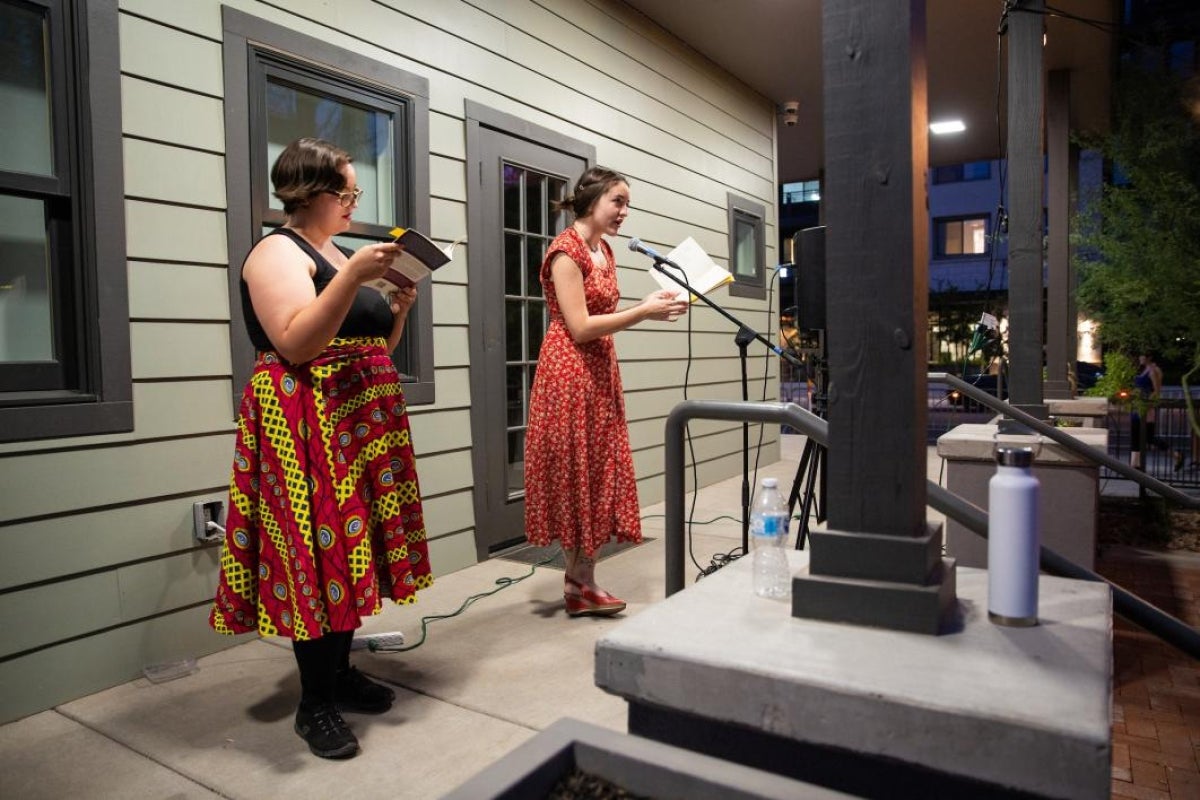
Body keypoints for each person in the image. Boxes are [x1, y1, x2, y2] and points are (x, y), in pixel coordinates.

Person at [209, 138, 433, 759]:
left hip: (358, 422)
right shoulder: (276, 252)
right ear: (310, 191)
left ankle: (338, 672)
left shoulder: (338, 253)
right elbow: (297, 344)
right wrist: (356, 277)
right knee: (317, 549)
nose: (353, 204)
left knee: (354, 545)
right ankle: (315, 702)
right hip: (306, 423)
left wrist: (396, 311)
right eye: (347, 193)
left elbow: (371, 350)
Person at [524, 166, 689, 617]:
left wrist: (659, 309)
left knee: (598, 468)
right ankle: (579, 583)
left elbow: (606, 318)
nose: (624, 212)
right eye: (618, 202)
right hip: (569, 370)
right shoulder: (565, 252)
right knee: (576, 469)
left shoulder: (605, 250)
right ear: (592, 200)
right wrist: (642, 312)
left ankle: (583, 582)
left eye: (626, 204)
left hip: (599, 369)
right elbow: (578, 327)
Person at [1131, 352, 1182, 470]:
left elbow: (1156, 390)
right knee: (1137, 435)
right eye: (1140, 355)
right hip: (1137, 406)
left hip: (1145, 408)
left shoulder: (1153, 371)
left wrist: (1148, 404)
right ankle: (1134, 464)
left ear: (1149, 357)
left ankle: (1176, 455)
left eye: (1142, 355)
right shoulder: (1143, 370)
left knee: (1148, 437)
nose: (1140, 358)